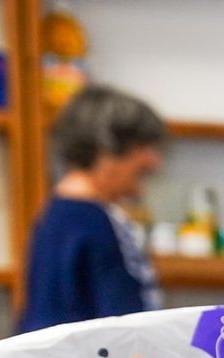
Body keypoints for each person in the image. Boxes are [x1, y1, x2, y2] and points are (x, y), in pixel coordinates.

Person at [20, 85, 167, 333]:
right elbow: (120, 320)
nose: (155, 162)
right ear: (110, 146)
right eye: (145, 147)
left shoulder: (62, 215)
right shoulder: (90, 222)